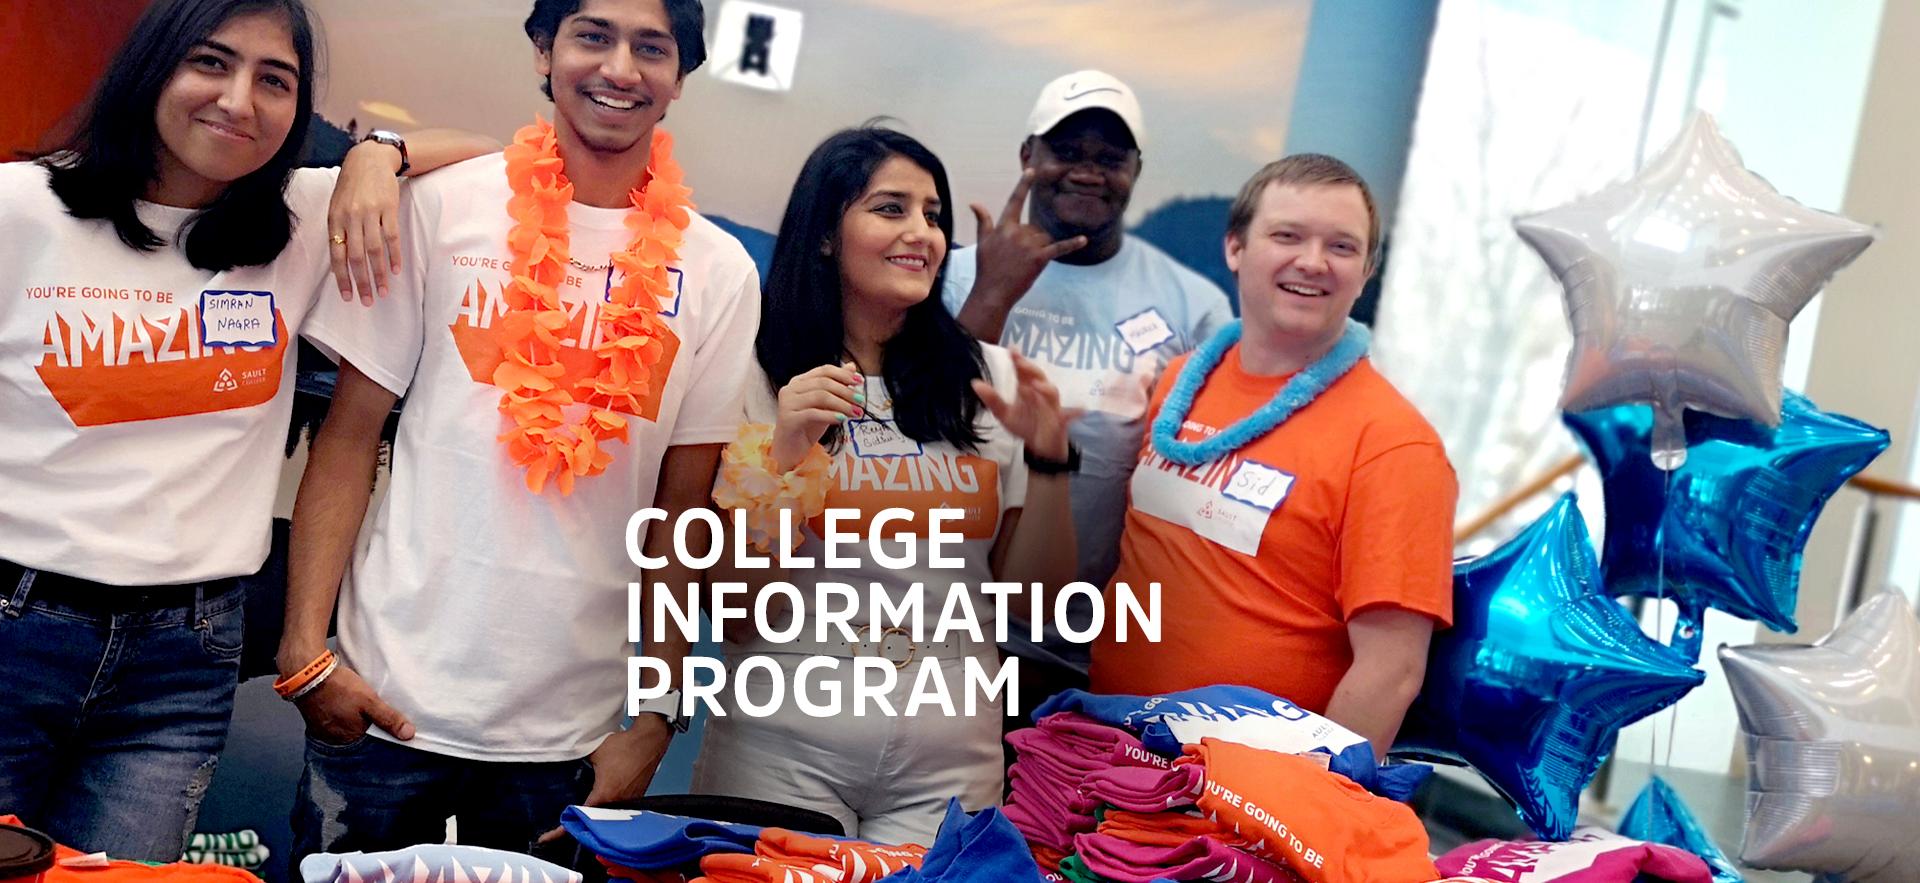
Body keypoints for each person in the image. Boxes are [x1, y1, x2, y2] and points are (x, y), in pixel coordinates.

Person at [0, 0, 493, 861]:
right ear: (152, 69)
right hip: (16, 620)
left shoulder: (298, 227)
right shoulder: (21, 208)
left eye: (276, 81)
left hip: (181, 662)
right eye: (210, 63)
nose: (239, 100)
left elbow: (510, 155)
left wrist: (378, 155)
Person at [279, 0, 762, 861]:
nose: (620, 67)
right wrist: (306, 648)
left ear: (678, 78)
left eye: (651, 48)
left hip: (567, 742)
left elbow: (680, 514)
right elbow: (349, 437)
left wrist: (655, 714)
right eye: (592, 36)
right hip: (387, 703)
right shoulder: (444, 204)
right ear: (544, 52)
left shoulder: (719, 271)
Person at [693, 126, 1076, 846]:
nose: (922, 234)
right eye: (891, 208)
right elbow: (737, 613)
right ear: (827, 233)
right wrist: (783, 458)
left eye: (934, 214)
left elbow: (1037, 601)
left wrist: (1053, 461)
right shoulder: (754, 368)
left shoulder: (989, 377)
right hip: (782, 742)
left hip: (951, 752)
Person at [1088, 155, 1456, 759]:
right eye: (1287, 235)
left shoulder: (1394, 444)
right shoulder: (1181, 383)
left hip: (1240, 805)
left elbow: (1391, 671)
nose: (1312, 262)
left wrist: (1297, 812)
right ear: (1235, 247)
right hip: (1106, 751)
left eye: (1342, 246)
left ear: (1365, 272)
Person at [943, 70, 1233, 684]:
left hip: (1089, 660)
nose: (1088, 171)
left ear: (1136, 170)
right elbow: (906, 428)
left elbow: (1200, 492)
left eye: (1110, 158)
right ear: (1028, 155)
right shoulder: (951, 277)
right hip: (933, 630)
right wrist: (991, 292)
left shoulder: (1194, 307)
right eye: (1067, 152)